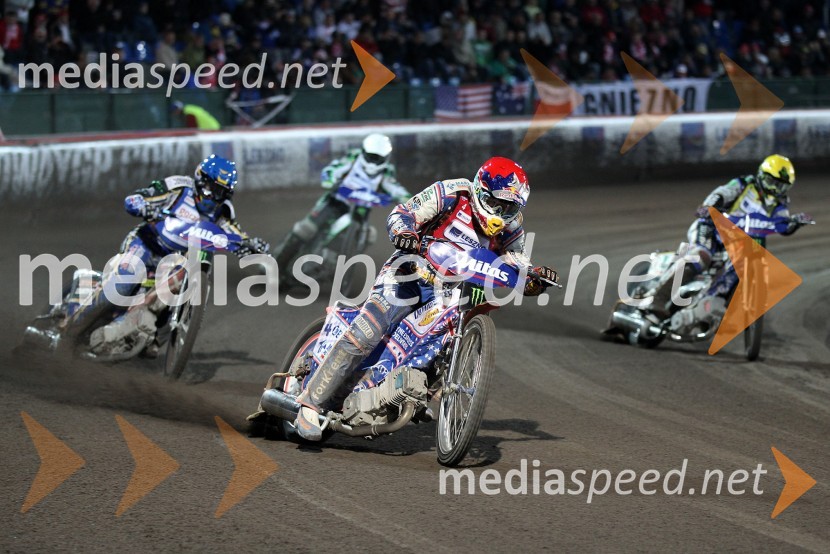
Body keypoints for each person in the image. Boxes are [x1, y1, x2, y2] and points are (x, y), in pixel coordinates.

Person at [293, 157, 559, 440]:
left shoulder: (512, 223)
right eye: (497, 204)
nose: (502, 213)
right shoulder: (452, 192)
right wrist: (404, 232)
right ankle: (310, 404)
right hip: (410, 274)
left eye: (510, 207)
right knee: (369, 331)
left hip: (455, 290)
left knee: (449, 336)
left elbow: (517, 261)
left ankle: (416, 390)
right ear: (481, 192)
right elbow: (402, 212)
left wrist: (531, 279)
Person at [61, 154, 268, 354]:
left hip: (175, 262)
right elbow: (143, 195)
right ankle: (69, 332)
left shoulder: (223, 211)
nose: (215, 197)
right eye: (213, 189)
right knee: (124, 282)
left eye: (222, 192)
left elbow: (234, 232)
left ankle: (142, 333)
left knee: (174, 293)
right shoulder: (178, 187)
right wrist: (142, 204)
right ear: (200, 180)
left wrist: (250, 245)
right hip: (146, 244)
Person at [648, 154, 813, 318]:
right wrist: (709, 206)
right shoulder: (743, 184)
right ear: (762, 175)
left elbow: (782, 225)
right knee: (701, 257)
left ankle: (710, 305)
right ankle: (658, 298)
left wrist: (795, 223)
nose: (775, 190)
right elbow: (722, 193)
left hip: (740, 242)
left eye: (781, 186)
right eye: (773, 183)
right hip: (712, 228)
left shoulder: (780, 202)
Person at [275, 133, 410, 269]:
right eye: (371, 156)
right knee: (305, 229)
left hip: (360, 212)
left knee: (370, 236)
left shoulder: (387, 171)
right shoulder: (353, 157)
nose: (374, 162)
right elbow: (333, 169)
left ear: (386, 157)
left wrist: (409, 201)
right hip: (335, 202)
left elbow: (395, 188)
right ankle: (276, 265)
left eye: (379, 158)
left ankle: (341, 265)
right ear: (364, 152)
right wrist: (330, 180)